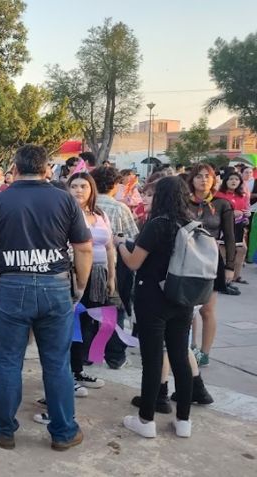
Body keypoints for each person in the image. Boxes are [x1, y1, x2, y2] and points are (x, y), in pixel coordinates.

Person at [0, 144, 92, 451]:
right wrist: (79, 286)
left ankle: (3, 429)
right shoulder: (65, 200)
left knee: (9, 362)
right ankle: (64, 431)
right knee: (56, 363)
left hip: (11, 287)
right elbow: (84, 248)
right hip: (56, 288)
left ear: (14, 167)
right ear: (46, 169)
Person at [116, 176, 197, 438]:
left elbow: (134, 263)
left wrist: (119, 245)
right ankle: (184, 421)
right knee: (180, 358)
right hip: (183, 299)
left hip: (153, 300)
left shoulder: (156, 225)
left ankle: (146, 420)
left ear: (160, 196)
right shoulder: (192, 224)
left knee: (152, 360)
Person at [66, 172, 114, 388]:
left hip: (99, 275)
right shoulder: (67, 213)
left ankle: (79, 370)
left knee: (90, 323)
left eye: (83, 186)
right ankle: (68, 373)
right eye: (74, 186)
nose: (78, 190)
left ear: (91, 189)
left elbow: (110, 246)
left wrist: (112, 276)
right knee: (72, 323)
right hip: (76, 274)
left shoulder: (100, 213)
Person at [90, 166, 139, 369]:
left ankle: (90, 353)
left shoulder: (85, 205)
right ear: (114, 185)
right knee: (113, 310)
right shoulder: (119, 208)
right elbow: (132, 237)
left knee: (89, 310)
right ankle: (114, 356)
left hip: (87, 266)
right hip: (114, 266)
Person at [188, 164, 236, 368]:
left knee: (206, 310)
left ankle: (205, 353)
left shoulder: (222, 204)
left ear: (214, 180)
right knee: (188, 308)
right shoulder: (183, 202)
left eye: (208, 176)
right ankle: (191, 347)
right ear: (192, 180)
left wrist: (230, 266)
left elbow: (230, 237)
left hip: (212, 259)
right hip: (187, 258)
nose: (203, 180)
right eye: (198, 176)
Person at [214, 170, 249, 284]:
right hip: (223, 228)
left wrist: (246, 215)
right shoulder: (218, 195)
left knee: (242, 250)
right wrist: (230, 213)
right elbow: (214, 212)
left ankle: (235, 277)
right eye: (231, 179)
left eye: (237, 179)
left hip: (238, 227)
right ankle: (222, 280)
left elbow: (244, 210)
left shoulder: (241, 195)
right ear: (226, 181)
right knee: (224, 253)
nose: (234, 181)